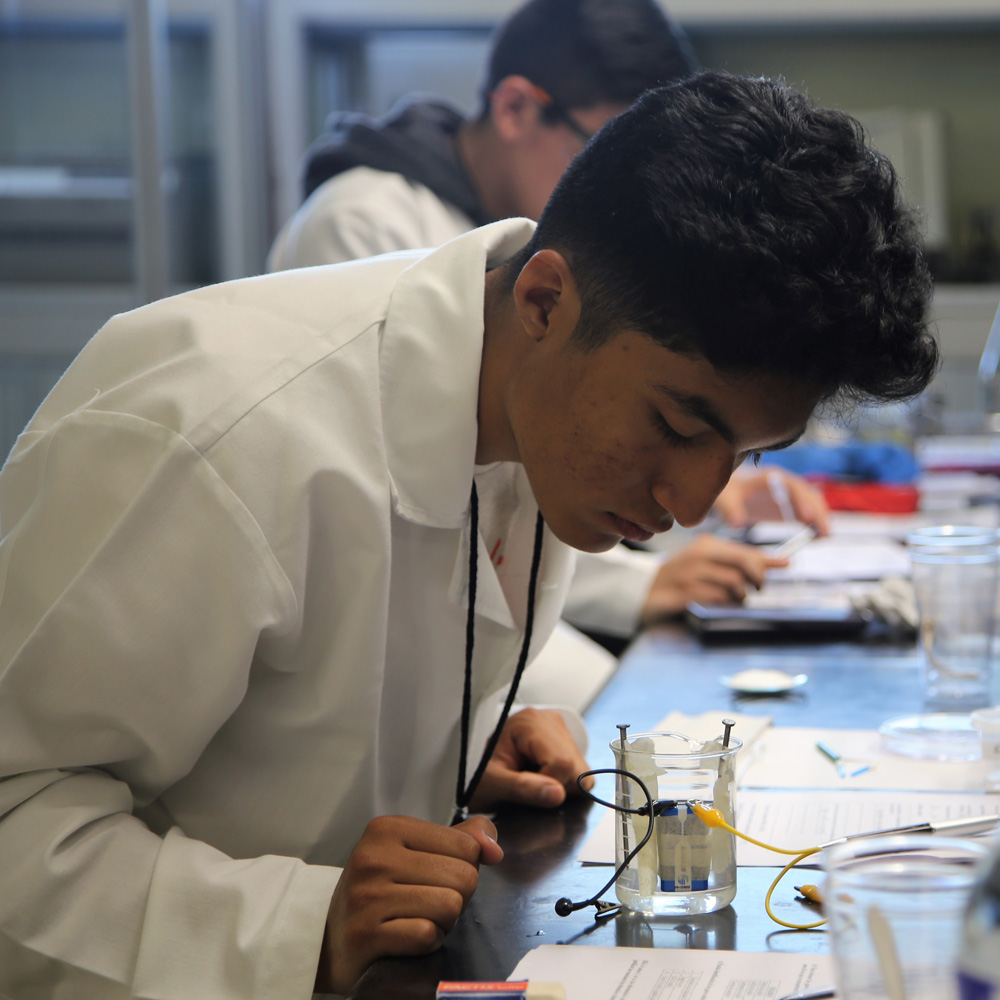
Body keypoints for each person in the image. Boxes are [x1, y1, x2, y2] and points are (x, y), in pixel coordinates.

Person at [0, 72, 937, 997]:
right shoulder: (214, 433)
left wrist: (443, 740)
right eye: (681, 427)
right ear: (542, 301)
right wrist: (297, 924)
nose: (691, 501)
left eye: (740, 452)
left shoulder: (524, 407)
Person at [269, 0, 829, 656]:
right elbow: (420, 514)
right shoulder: (367, 223)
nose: (637, 190)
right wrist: (639, 585)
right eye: (606, 149)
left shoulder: (525, 247)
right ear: (515, 110)